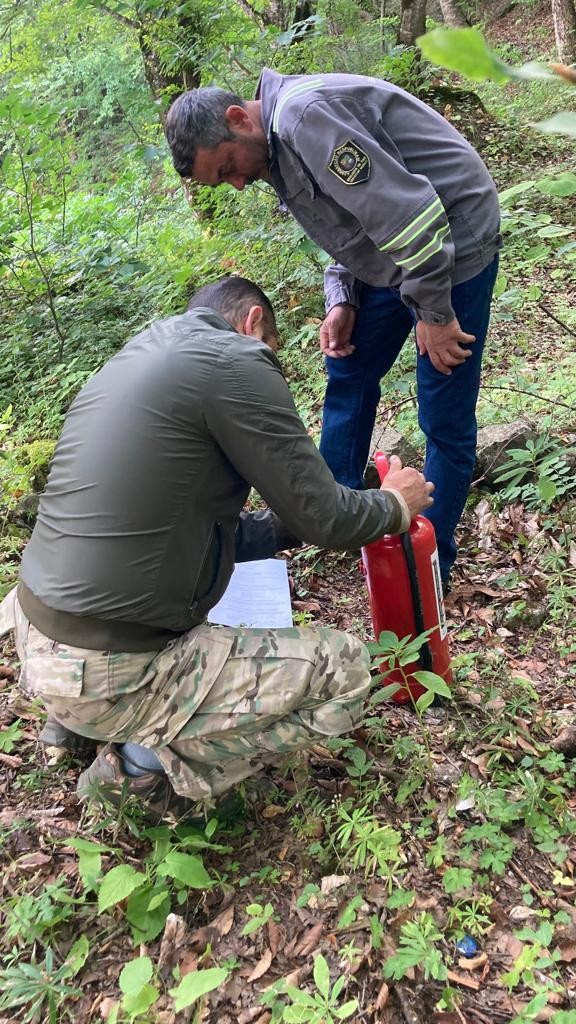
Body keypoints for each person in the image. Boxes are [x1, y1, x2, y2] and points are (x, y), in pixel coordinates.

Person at [0, 276, 433, 823]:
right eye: (272, 348)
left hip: (36, 629)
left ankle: (75, 724)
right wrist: (395, 504)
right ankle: (138, 771)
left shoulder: (139, 357)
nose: (270, 360)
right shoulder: (235, 360)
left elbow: (186, 527)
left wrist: (288, 524)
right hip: (107, 663)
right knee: (345, 670)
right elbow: (331, 521)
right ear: (253, 322)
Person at [164, 72, 502, 586]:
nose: (236, 183)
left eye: (228, 167)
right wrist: (343, 297)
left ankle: (425, 564)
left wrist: (434, 314)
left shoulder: (306, 119)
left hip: (448, 247)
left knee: (443, 408)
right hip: (396, 254)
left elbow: (408, 213)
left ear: (238, 119)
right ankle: (335, 512)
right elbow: (349, 218)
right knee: (348, 363)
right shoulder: (274, 145)